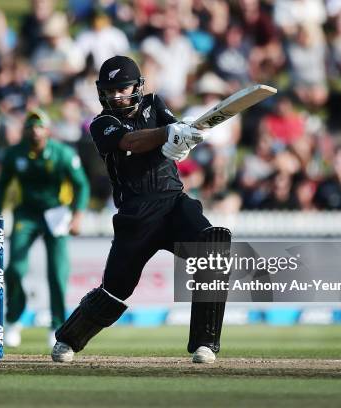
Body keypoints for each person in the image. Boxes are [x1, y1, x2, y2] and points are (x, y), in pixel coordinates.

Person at [51, 55, 231, 364]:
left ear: (137, 86)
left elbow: (174, 131)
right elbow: (131, 141)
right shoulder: (101, 124)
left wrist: (184, 140)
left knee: (213, 246)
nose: (116, 96)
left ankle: (205, 344)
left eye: (122, 89)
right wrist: (168, 135)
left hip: (174, 204)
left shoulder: (154, 104)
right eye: (110, 91)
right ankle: (68, 339)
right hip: (136, 217)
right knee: (114, 291)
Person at [0, 109, 90, 348]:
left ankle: (57, 325)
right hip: (26, 213)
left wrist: (77, 215)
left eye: (40, 126)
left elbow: (82, 185)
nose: (35, 131)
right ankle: (14, 318)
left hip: (56, 213)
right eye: (31, 126)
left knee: (58, 272)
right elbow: (2, 185)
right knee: (14, 268)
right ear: (25, 130)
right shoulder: (14, 154)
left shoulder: (63, 153)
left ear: (48, 131)